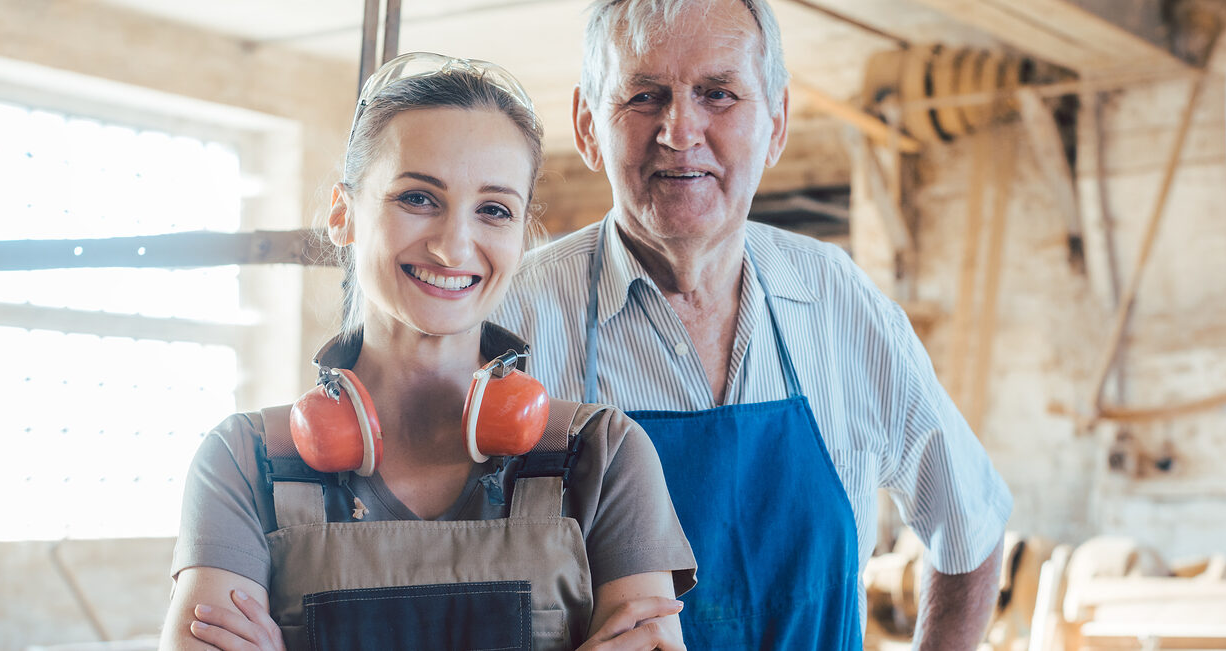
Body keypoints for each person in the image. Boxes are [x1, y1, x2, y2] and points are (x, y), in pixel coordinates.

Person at [489, 0, 1014, 649]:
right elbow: (434, 587)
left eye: (718, 93)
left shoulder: (836, 299)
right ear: (588, 125)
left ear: (778, 121)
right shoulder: (510, 320)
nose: (680, 131)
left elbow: (972, 525)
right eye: (645, 95)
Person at [159, 53, 696, 651]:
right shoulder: (245, 461)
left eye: (494, 209)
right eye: (417, 198)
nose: (452, 246)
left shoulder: (601, 455)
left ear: (521, 234)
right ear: (344, 214)